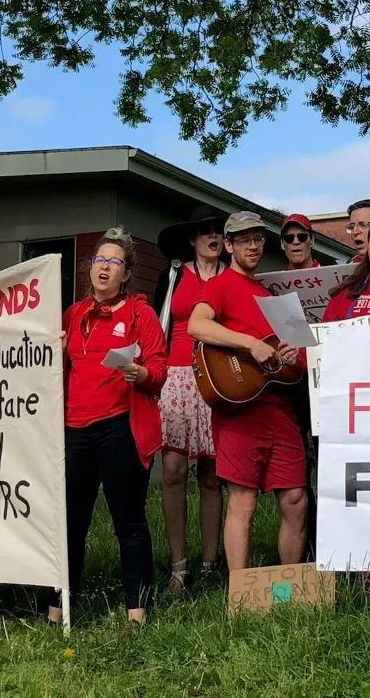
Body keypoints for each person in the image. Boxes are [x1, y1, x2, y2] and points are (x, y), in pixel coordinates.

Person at [47, 230, 168, 625]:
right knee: (70, 523)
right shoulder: (72, 313)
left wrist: (141, 372)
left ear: (126, 274)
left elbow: (160, 371)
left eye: (114, 262)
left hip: (119, 427)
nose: (104, 267)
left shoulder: (139, 314)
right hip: (73, 430)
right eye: (100, 260)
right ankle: (59, 607)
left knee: (128, 520)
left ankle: (137, 607)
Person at [187, 212, 308, 572]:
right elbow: (196, 325)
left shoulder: (273, 296)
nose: (253, 246)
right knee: (243, 500)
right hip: (239, 407)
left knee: (296, 499)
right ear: (228, 246)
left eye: (257, 239)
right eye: (244, 240)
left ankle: (291, 585)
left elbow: (296, 363)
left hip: (279, 406)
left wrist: (290, 355)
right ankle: (239, 594)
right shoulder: (221, 285)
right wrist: (250, 343)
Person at [151, 210, 226, 591]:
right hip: (176, 376)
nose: (212, 237)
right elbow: (155, 323)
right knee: (174, 471)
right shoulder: (174, 274)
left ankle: (212, 563)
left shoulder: (230, 277)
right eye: (205, 232)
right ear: (193, 241)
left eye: (218, 232)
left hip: (217, 377)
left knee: (212, 475)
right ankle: (179, 565)